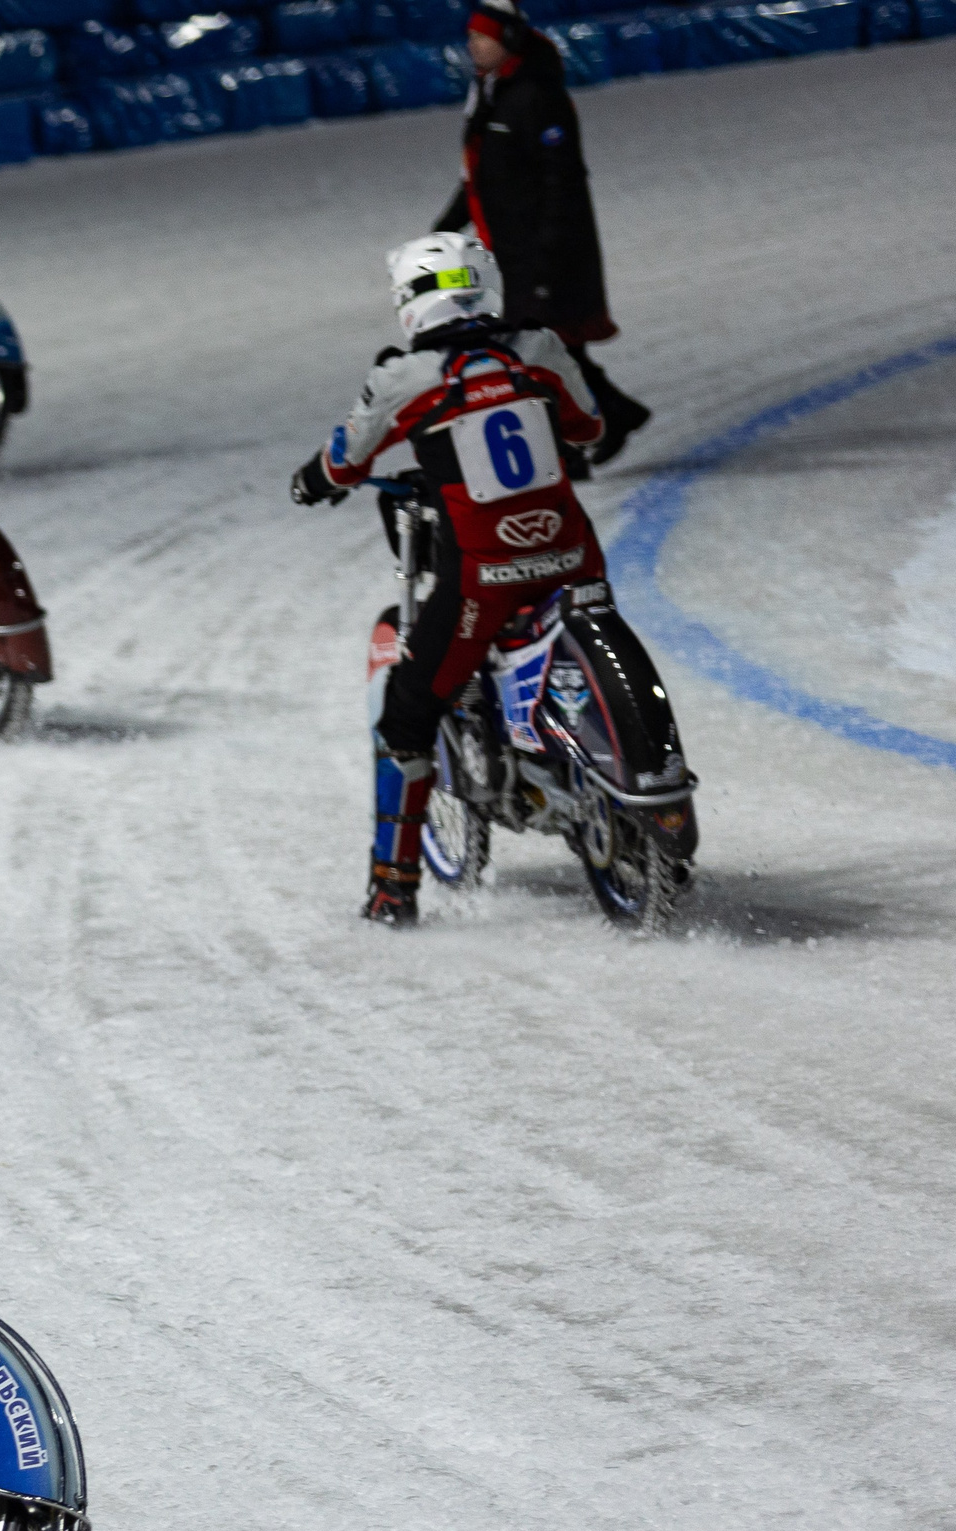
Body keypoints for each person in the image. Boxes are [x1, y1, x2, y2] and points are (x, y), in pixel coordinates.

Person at [289, 232, 607, 927]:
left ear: (410, 305)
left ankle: (391, 889)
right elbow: (588, 428)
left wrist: (310, 481)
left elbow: (344, 459)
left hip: (483, 577)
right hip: (574, 556)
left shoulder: (405, 377)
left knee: (407, 710)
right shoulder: (540, 348)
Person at [433, 0, 649, 466]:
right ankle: (613, 414)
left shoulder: (535, 96)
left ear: (506, 40)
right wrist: (446, 226)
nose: (471, 45)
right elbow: (479, 173)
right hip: (510, 249)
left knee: (539, 354)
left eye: (481, 37)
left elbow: (562, 180)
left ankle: (574, 447)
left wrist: (551, 255)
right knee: (553, 352)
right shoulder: (491, 92)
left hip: (543, 251)